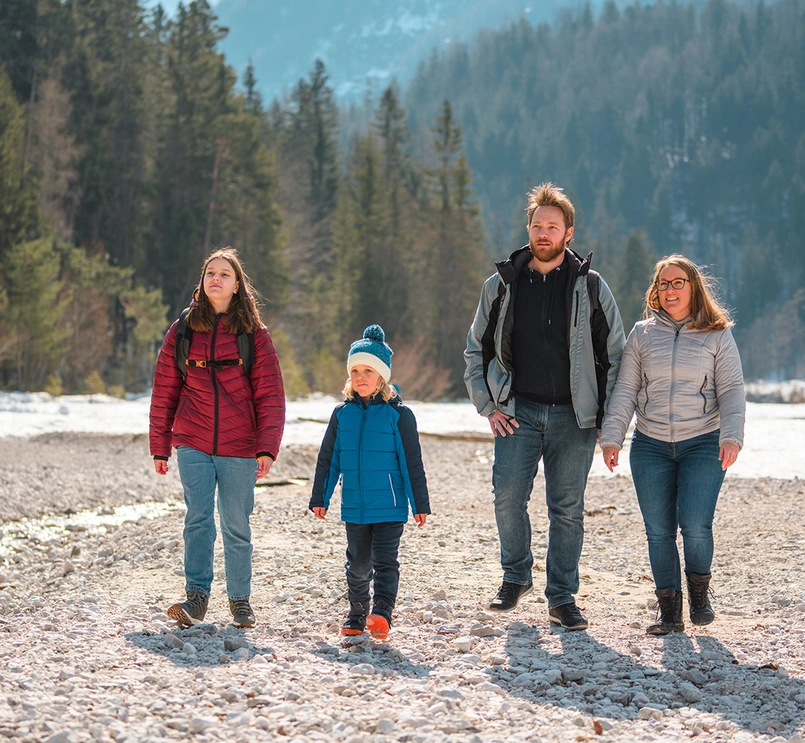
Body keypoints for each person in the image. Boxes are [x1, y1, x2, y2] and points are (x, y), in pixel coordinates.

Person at [464, 182, 625, 630]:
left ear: (568, 233)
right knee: (507, 498)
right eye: (538, 225)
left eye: (553, 226)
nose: (544, 233)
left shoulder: (591, 287)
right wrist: (488, 406)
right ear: (529, 229)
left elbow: (616, 356)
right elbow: (475, 350)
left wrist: (609, 421)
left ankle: (562, 597)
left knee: (567, 509)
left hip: (576, 418)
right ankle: (516, 577)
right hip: (517, 412)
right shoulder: (501, 285)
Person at [600, 255, 745, 636]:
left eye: (678, 282)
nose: (670, 290)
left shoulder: (717, 334)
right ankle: (669, 612)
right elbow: (626, 389)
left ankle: (699, 593)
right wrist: (612, 436)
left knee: (695, 525)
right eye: (663, 283)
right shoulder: (642, 334)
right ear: (656, 290)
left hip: (703, 442)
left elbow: (732, 389)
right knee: (658, 531)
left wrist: (732, 436)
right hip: (650, 445)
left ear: (694, 287)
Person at [150, 248, 285, 628]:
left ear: (237, 285)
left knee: (236, 525)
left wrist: (267, 448)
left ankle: (240, 601)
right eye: (211, 272)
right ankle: (196, 598)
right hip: (191, 440)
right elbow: (164, 391)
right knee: (197, 520)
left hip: (240, 446)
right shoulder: (182, 330)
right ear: (202, 281)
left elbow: (271, 395)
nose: (216, 279)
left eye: (225, 274)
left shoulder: (254, 335)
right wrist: (160, 446)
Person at [309, 325, 430, 640]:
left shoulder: (399, 415)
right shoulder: (342, 415)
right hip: (355, 506)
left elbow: (412, 462)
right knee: (358, 564)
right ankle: (357, 612)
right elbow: (329, 459)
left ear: (382, 377)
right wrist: (320, 497)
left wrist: (419, 503)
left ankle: (382, 614)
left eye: (368, 371)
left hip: (390, 506)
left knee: (385, 562)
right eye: (355, 371)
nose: (360, 377)